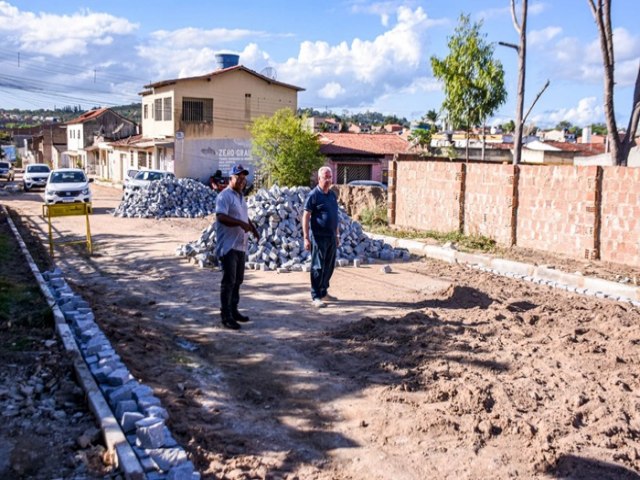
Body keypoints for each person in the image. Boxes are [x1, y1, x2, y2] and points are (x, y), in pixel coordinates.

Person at [215, 164, 259, 329]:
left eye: (243, 177)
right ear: (230, 178)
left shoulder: (241, 197)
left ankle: (234, 311)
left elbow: (243, 216)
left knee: (238, 280)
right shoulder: (224, 196)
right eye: (238, 177)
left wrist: (252, 227)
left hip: (240, 246)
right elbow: (221, 217)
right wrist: (240, 223)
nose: (242, 180)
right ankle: (226, 316)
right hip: (228, 246)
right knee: (229, 281)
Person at [302, 166, 340, 308]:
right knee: (317, 267)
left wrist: (337, 234)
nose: (328, 180)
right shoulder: (314, 195)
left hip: (331, 236)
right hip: (318, 237)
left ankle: (324, 291)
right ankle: (316, 295)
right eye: (325, 177)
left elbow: (335, 216)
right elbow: (306, 216)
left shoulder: (332, 195)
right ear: (319, 178)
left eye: (330, 177)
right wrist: (306, 237)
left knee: (329, 266)